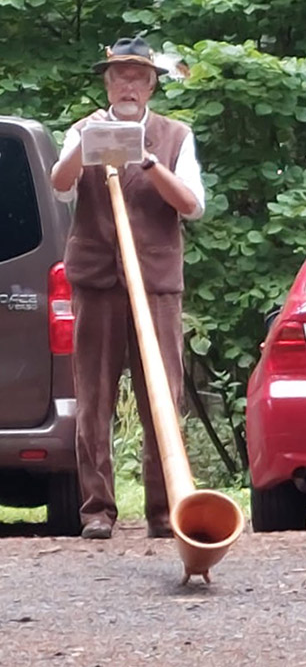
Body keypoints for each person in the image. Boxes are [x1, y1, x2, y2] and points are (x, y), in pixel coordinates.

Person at [50, 36, 205, 540]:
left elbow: (192, 205)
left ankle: (164, 511)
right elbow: (60, 184)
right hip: (96, 282)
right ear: (108, 82)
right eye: (120, 76)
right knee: (93, 397)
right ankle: (97, 509)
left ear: (152, 85)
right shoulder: (83, 127)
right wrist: (85, 144)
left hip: (157, 284)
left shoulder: (176, 135)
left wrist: (149, 162)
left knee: (162, 394)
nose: (129, 85)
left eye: (139, 77)